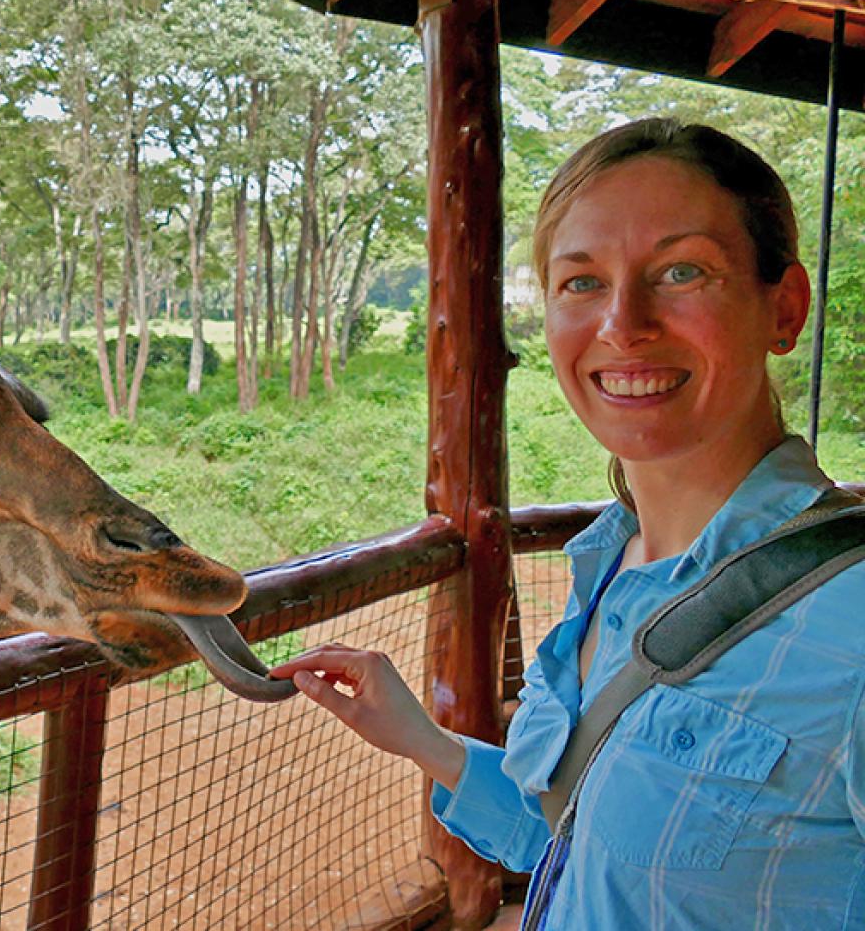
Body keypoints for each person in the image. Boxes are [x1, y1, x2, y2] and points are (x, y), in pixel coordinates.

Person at [271, 119, 865, 929]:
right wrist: (426, 741)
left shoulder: (851, 622)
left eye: (682, 271)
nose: (624, 324)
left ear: (784, 308)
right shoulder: (609, 568)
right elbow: (580, 843)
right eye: (581, 283)